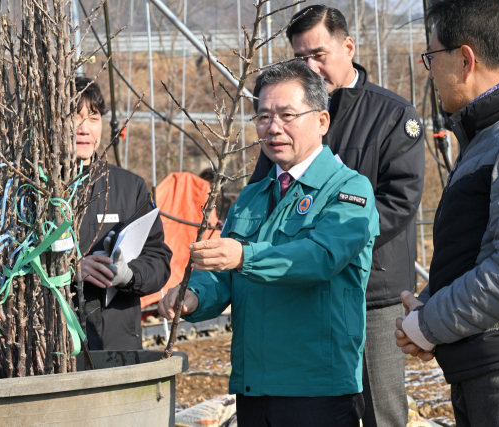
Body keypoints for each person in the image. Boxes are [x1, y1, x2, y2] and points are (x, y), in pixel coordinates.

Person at [159, 61, 379, 427]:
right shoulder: (251, 197)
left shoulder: (348, 190)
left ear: (322, 121)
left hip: (315, 388)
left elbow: (319, 257)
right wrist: (194, 296)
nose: (273, 127)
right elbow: (224, 273)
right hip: (254, 386)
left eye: (287, 114)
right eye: (263, 116)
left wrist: (243, 256)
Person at [248, 6, 425, 426]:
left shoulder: (392, 116)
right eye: (299, 58)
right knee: (324, 408)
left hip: (373, 293)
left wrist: (331, 243)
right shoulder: (291, 119)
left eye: (318, 54)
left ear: (348, 46)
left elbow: (399, 201)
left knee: (381, 407)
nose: (310, 66)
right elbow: (262, 192)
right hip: (307, 288)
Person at [395, 1, 499, 425]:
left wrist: (430, 323)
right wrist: (429, 307)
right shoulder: (491, 134)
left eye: (432, 57)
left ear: (465, 59)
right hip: (491, 364)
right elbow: (476, 248)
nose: (429, 70)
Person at [72, 76, 172, 350]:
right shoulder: (30, 192)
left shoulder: (129, 187)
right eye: (73, 117)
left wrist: (128, 275)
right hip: (53, 350)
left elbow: (159, 260)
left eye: (93, 118)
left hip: (116, 347)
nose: (84, 129)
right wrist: (70, 270)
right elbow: (9, 267)